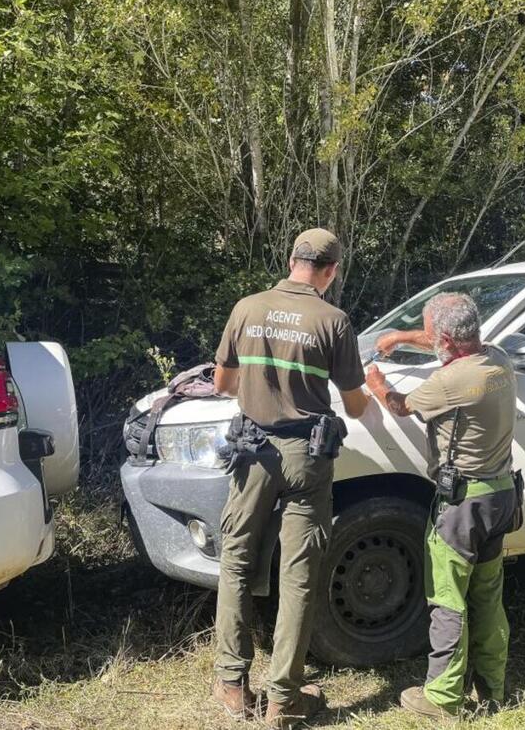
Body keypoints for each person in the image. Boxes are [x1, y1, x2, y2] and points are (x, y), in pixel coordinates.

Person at [211, 228, 371, 727]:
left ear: (290, 260)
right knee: (298, 577)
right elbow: (357, 405)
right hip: (308, 456)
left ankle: (232, 685)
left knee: (235, 562)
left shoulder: (247, 307)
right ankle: (283, 699)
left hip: (253, 454)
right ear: (331, 271)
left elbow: (222, 383)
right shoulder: (334, 321)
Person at [364, 292, 517, 718]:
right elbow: (444, 337)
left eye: (431, 334)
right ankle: (493, 688)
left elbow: (400, 406)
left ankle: (443, 698)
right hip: (500, 496)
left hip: (462, 506)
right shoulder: (499, 360)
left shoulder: (450, 383)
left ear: (446, 340)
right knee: (487, 596)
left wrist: (378, 382)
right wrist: (400, 337)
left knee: (448, 600)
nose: (429, 339)